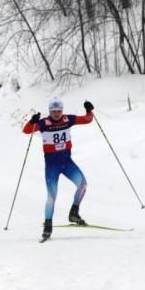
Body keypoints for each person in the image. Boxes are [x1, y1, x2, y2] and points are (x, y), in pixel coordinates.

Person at [24, 98, 95, 240]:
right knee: (52, 196)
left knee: (83, 185)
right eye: (53, 111)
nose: (56, 114)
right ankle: (47, 226)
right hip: (52, 166)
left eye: (59, 111)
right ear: (50, 111)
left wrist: (89, 110)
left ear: (62, 111)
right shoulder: (43, 123)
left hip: (67, 163)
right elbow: (26, 131)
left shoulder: (68, 119)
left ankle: (74, 213)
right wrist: (32, 122)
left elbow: (87, 120)